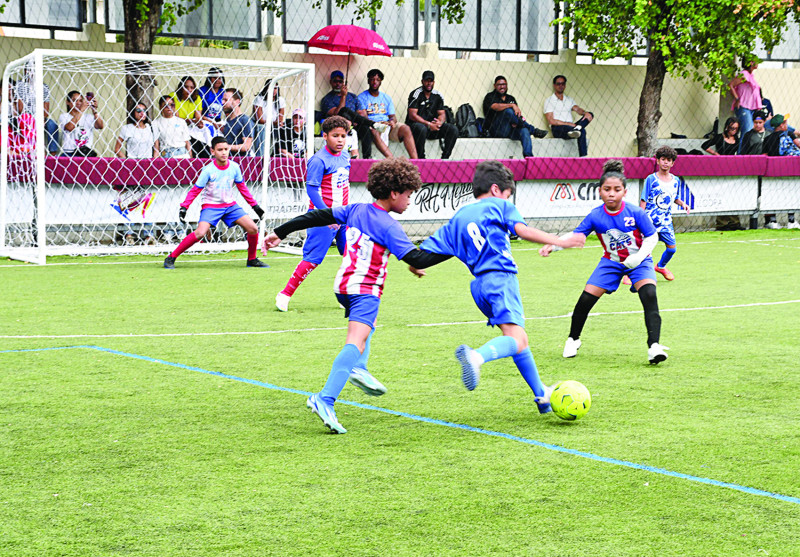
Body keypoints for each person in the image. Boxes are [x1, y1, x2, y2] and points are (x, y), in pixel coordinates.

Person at [261, 158, 449, 434]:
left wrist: (279, 232)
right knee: (355, 340)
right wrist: (456, 248)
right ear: (395, 193)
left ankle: (358, 367)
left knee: (364, 330)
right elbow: (417, 256)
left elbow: (316, 216)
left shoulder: (357, 209)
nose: (410, 201)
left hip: (343, 287)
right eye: (409, 195)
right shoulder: (388, 225)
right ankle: (324, 399)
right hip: (365, 291)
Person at [416, 161, 585, 412]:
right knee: (516, 339)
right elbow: (522, 230)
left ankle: (542, 395)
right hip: (501, 279)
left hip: (479, 286)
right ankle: (477, 356)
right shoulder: (501, 205)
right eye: (508, 195)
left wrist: (416, 265)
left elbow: (430, 253)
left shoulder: (461, 216)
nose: (509, 200)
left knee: (519, 339)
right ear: (497, 190)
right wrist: (559, 241)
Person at [540, 160, 669, 365]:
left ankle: (654, 346)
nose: (611, 193)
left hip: (640, 260)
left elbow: (652, 237)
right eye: (607, 189)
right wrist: (553, 244)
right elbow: (576, 236)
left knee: (650, 295)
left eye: (617, 189)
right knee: (585, 300)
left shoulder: (636, 212)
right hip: (611, 262)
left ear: (624, 192)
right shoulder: (596, 215)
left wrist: (638, 257)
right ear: (599, 191)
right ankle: (573, 339)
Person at [273, 115, 351, 312]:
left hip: (344, 216)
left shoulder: (345, 156)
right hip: (322, 217)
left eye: (343, 135)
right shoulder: (317, 160)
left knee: (351, 256)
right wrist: (326, 214)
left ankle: (346, 296)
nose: (340, 140)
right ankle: (285, 294)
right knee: (313, 259)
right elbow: (312, 190)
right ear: (325, 136)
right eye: (335, 136)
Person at [163, 136, 267, 269]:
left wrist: (255, 206)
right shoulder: (208, 170)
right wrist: (184, 207)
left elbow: (243, 189)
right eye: (220, 150)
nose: (224, 152)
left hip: (230, 206)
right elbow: (195, 191)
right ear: (213, 151)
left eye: (226, 149)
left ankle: (252, 259)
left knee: (253, 228)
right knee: (200, 233)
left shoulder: (234, 167)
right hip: (211, 207)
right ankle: (171, 257)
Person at [635, 146, 690, 283]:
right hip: (650, 221)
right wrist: (640, 219)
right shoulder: (651, 179)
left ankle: (660, 267)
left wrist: (682, 203)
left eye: (669, 160)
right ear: (657, 161)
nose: (665, 162)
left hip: (665, 222)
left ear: (673, 163)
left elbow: (674, 197)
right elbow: (644, 200)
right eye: (663, 159)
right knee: (644, 250)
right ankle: (632, 273)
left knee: (672, 249)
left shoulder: (675, 181)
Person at [114, 102, 158, 245]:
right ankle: (129, 233)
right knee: (130, 199)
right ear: (133, 113)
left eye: (144, 111)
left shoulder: (151, 129)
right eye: (138, 110)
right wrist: (126, 161)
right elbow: (117, 147)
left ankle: (148, 233)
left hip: (147, 166)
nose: (141, 113)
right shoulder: (127, 129)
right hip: (132, 166)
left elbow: (156, 147)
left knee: (148, 199)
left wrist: (153, 161)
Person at [357, 68, 417, 159]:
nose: (374, 82)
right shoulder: (362, 97)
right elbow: (364, 117)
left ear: (381, 82)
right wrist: (377, 124)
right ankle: (392, 160)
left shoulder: (386, 98)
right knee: (374, 129)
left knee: (406, 128)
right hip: (373, 126)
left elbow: (393, 117)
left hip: (387, 126)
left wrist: (392, 122)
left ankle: (415, 161)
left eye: (377, 80)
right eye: (372, 79)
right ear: (368, 80)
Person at [482, 75, 547, 158]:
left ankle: (529, 157)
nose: (502, 87)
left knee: (524, 130)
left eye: (504, 84)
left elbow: (516, 114)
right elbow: (495, 107)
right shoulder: (490, 96)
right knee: (508, 111)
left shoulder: (510, 98)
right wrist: (511, 105)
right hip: (497, 130)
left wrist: (517, 121)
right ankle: (533, 130)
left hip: (511, 129)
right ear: (495, 86)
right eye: (499, 85)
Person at [320, 70, 379, 158]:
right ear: (331, 82)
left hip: (353, 124)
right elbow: (336, 114)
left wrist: (356, 120)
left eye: (340, 81)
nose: (338, 84)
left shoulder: (352, 96)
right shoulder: (327, 99)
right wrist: (343, 96)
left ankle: (367, 157)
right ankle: (372, 124)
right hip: (338, 124)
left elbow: (360, 112)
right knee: (345, 110)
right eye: (335, 81)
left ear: (343, 82)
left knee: (365, 129)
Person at [406, 70, 458, 159]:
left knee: (453, 129)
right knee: (421, 128)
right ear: (422, 81)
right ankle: (421, 158)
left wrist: (440, 122)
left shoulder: (437, 95)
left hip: (432, 127)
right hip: (417, 128)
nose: (429, 83)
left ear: (434, 82)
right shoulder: (416, 94)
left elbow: (442, 113)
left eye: (431, 81)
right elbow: (412, 115)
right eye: (426, 81)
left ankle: (445, 159)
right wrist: (429, 124)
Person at [13, 64, 59, 155]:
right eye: (28, 70)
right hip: (24, 116)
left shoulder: (44, 87)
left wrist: (42, 119)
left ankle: (53, 154)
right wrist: (30, 119)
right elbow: (20, 107)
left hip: (39, 116)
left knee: (52, 124)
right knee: (28, 123)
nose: (30, 72)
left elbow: (46, 108)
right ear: (25, 71)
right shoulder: (19, 85)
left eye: (32, 70)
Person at [544, 75, 594, 157]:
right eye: (558, 84)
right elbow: (551, 120)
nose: (561, 86)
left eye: (563, 84)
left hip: (571, 128)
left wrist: (585, 113)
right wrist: (569, 124)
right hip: (558, 129)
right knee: (582, 131)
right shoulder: (549, 101)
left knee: (590, 114)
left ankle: (577, 128)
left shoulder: (569, 100)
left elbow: (577, 109)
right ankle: (583, 157)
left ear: (565, 85)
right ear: (554, 85)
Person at [728, 59, 761, 152]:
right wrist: (737, 98)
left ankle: (745, 155)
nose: (757, 62)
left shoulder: (751, 75)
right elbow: (730, 85)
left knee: (749, 132)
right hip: (743, 107)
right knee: (747, 131)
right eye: (755, 60)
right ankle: (741, 156)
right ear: (750, 63)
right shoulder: (744, 74)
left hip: (751, 108)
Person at [59, 90, 104, 156]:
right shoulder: (64, 116)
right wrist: (81, 110)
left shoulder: (89, 117)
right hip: (69, 152)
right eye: (75, 100)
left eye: (80, 100)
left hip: (85, 153)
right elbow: (69, 127)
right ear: (67, 102)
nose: (78, 103)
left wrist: (94, 110)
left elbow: (100, 126)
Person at [170, 76, 206, 158]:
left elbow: (198, 117)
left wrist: (198, 122)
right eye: (186, 87)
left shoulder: (197, 98)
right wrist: (191, 121)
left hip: (190, 126)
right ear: (181, 87)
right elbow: (176, 118)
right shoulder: (174, 96)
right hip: (176, 126)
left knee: (201, 137)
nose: (189, 90)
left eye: (192, 88)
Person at [252, 79, 285, 157]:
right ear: (266, 88)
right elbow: (259, 119)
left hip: (274, 125)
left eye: (275, 88)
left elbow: (280, 118)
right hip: (261, 125)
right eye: (271, 88)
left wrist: (278, 123)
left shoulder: (280, 100)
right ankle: (260, 156)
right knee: (262, 128)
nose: (274, 90)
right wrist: (273, 123)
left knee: (283, 128)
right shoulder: (259, 98)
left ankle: (275, 154)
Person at [221, 88, 254, 156]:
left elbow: (246, 146)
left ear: (237, 102)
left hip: (241, 159)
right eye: (223, 99)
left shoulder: (244, 120)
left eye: (226, 100)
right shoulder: (228, 120)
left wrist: (226, 147)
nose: (222, 102)